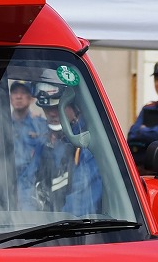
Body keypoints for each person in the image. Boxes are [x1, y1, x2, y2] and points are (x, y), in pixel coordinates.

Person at [33, 82, 101, 215]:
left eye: (57, 106)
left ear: (75, 107)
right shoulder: (43, 144)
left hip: (68, 230)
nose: (52, 113)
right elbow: (25, 183)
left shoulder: (85, 146)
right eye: (47, 108)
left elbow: (79, 206)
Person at [8, 78, 46, 208]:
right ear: (10, 97)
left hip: (29, 188)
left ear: (31, 98)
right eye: (15, 92)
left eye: (23, 93)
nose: (18, 96)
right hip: (3, 184)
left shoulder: (40, 126)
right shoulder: (0, 124)